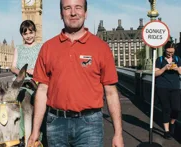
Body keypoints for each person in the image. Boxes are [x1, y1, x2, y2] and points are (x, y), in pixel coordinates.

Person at [27, 0, 124, 147]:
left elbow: (111, 92)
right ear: (61, 14)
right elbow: (42, 91)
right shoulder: (48, 48)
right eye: (67, 8)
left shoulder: (101, 48)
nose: (73, 12)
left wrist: (118, 134)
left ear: (85, 13)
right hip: (55, 123)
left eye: (78, 7)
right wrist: (35, 132)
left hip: (90, 124)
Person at [155, 41, 181, 139]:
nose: (170, 54)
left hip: (175, 87)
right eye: (168, 52)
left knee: (176, 108)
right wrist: (165, 68)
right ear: (164, 50)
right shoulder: (160, 59)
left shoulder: (178, 59)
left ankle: (172, 124)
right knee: (166, 109)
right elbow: (156, 73)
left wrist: (176, 69)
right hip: (162, 86)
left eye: (172, 52)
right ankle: (166, 131)